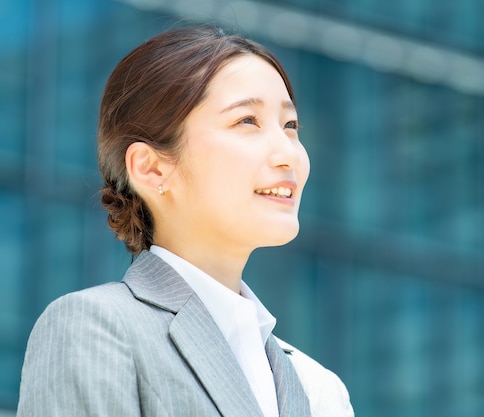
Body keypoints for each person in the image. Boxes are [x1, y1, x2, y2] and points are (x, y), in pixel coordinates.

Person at [17, 25, 354, 417]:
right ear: (151, 169)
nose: (289, 155)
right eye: (247, 121)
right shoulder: (96, 328)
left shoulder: (319, 388)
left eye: (290, 126)